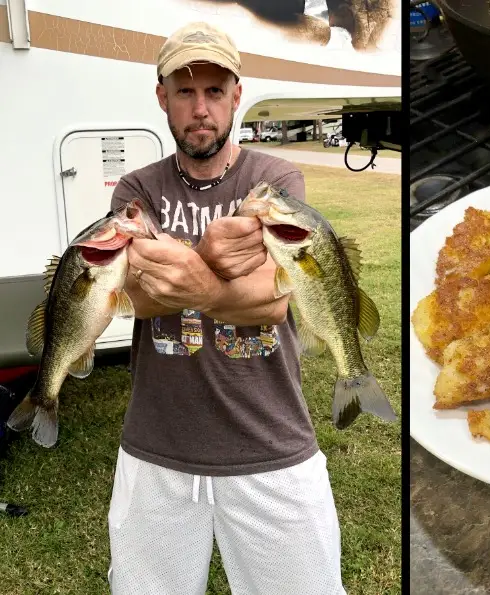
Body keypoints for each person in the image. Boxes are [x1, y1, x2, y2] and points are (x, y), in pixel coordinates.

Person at [105, 21, 346, 595]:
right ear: (161, 97)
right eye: (184, 92)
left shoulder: (273, 179)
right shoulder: (135, 191)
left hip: (269, 437)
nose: (200, 109)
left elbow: (269, 299)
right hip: (157, 443)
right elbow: (134, 297)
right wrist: (205, 272)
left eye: (215, 91)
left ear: (237, 96)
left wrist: (204, 289)